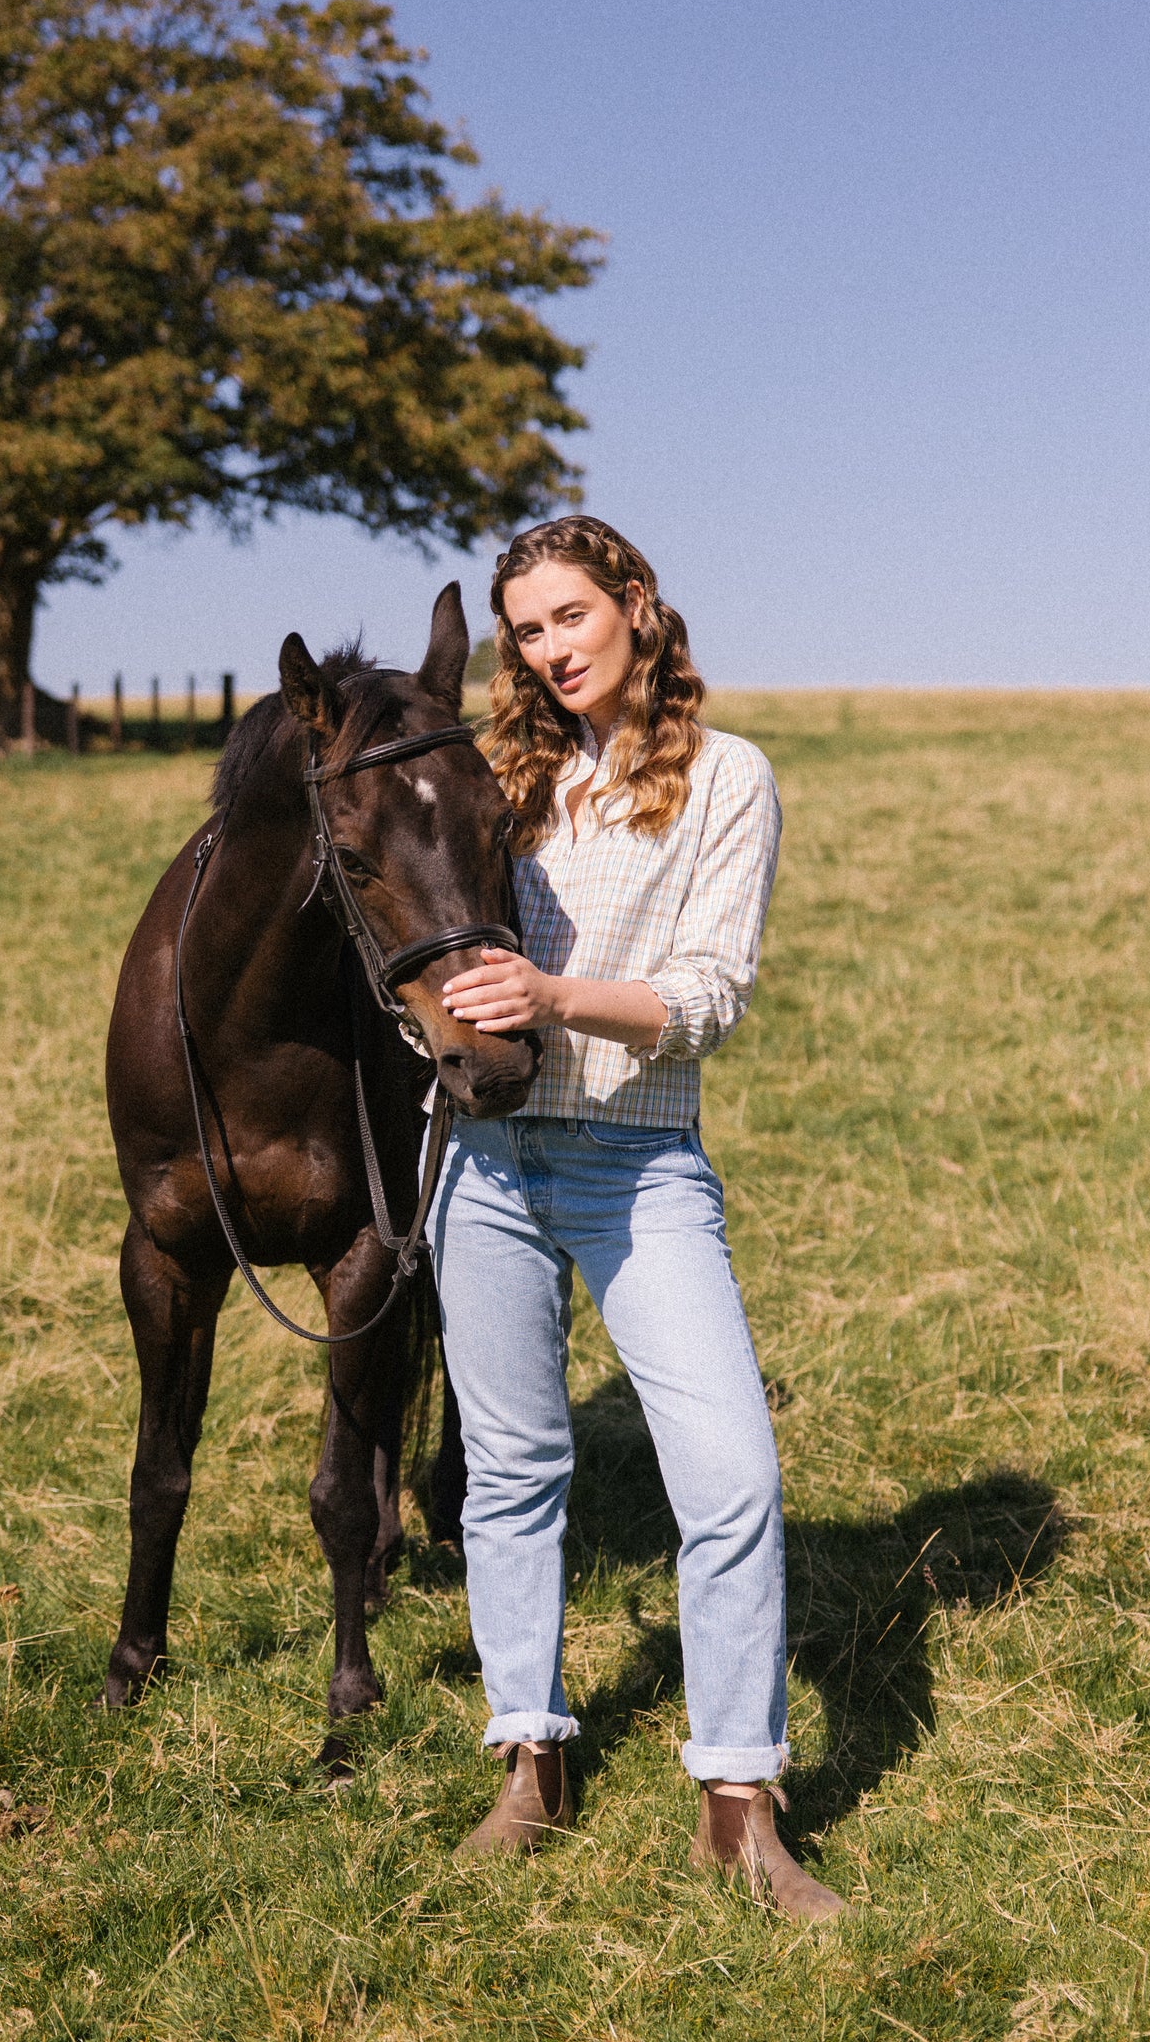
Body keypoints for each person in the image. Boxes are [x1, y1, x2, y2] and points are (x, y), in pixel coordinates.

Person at [430, 515, 842, 1920]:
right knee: (512, 1466)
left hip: (634, 1163)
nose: (548, 652)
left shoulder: (725, 779)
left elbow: (709, 995)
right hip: (477, 1166)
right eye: (525, 632)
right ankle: (530, 1755)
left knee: (728, 1477)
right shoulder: (494, 782)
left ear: (636, 604)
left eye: (567, 618)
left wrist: (549, 998)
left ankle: (739, 1803)